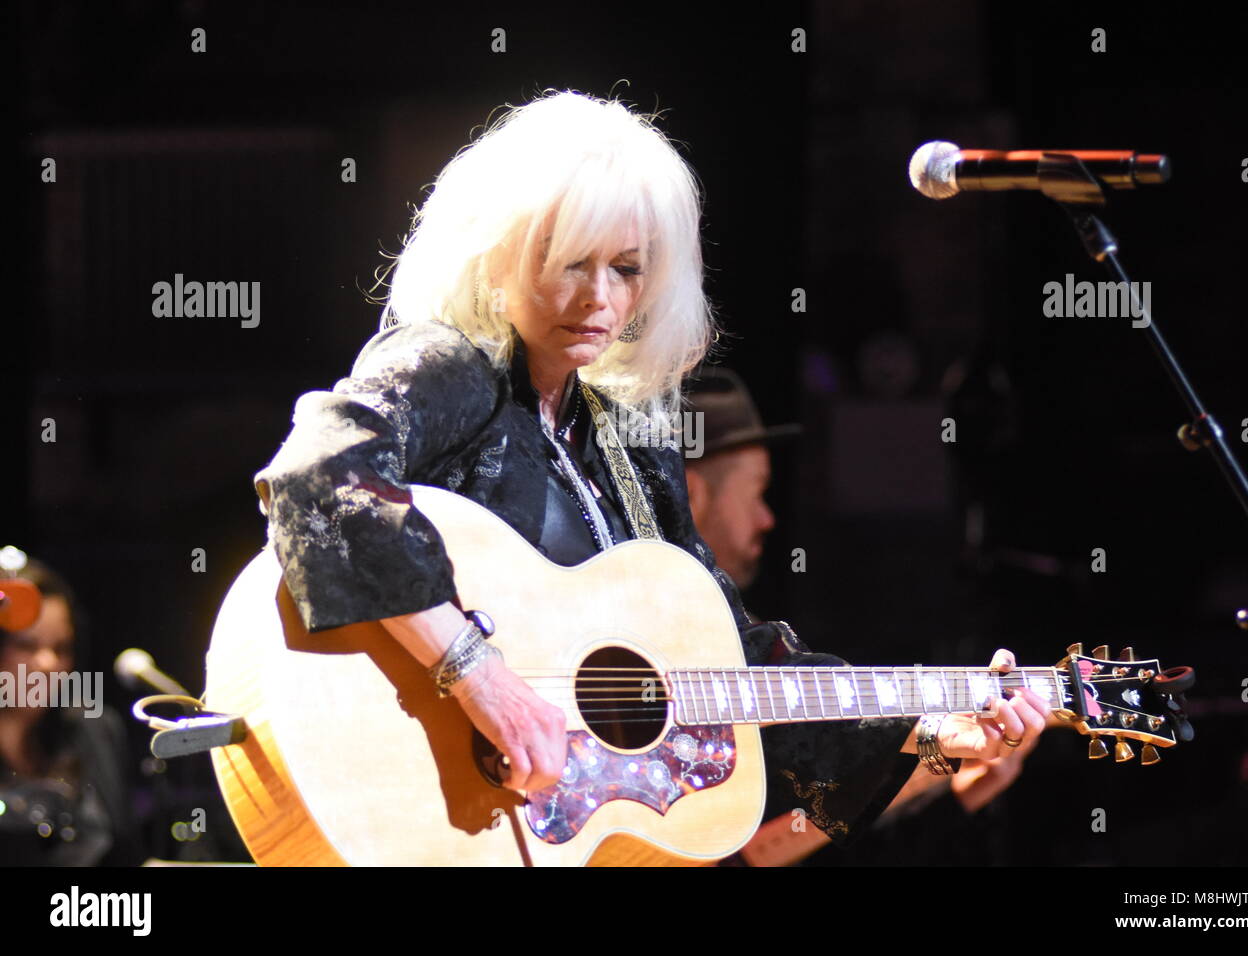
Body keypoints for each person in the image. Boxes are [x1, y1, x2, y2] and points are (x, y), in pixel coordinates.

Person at [252, 89, 1050, 851]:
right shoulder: (453, 367)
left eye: (627, 270)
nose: (599, 297)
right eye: (570, 261)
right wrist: (478, 675)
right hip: (425, 794)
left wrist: (936, 728)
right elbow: (317, 475)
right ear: (497, 257)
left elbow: (730, 661)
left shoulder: (628, 431)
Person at [682, 369, 1042, 864]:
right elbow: (739, 857)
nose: (768, 518)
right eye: (757, 491)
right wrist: (933, 760)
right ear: (691, 494)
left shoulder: (749, 649)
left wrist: (942, 777)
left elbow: (775, 845)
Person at [0, 550, 143, 866]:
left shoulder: (94, 729)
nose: (49, 663)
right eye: (27, 645)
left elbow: (127, 856)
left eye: (61, 648)